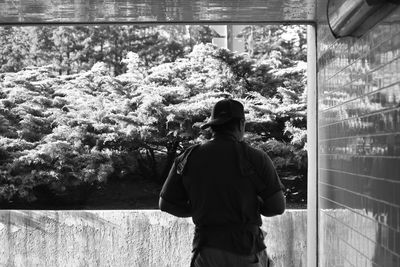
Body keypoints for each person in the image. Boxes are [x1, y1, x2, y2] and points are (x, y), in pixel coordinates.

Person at [159, 98, 285, 267]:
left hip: (205, 251)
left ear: (213, 126)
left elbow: (165, 204)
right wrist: (256, 204)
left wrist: (198, 209)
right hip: (245, 250)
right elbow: (277, 207)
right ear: (241, 124)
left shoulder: (188, 157)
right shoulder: (255, 157)